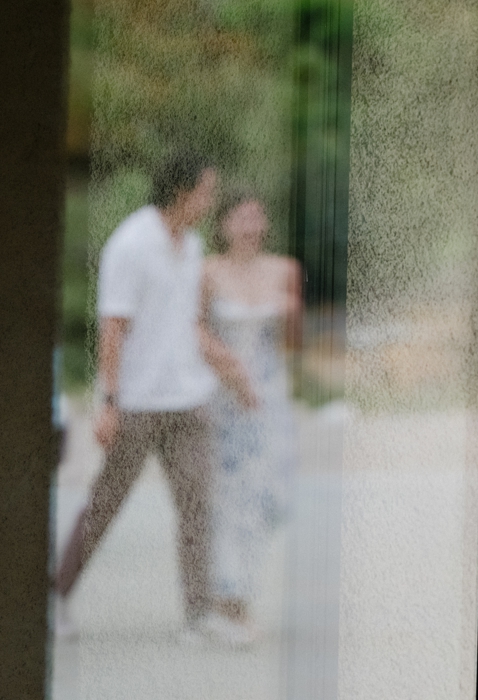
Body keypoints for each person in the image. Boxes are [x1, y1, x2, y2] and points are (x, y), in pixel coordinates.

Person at [53, 150, 225, 636]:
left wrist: (222, 370)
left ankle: (199, 614)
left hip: (188, 399)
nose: (210, 201)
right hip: (137, 402)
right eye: (206, 191)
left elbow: (189, 323)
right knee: (105, 505)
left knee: (197, 506)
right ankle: (55, 597)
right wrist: (108, 403)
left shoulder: (191, 246)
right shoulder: (131, 244)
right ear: (181, 192)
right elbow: (113, 328)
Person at [200, 190, 301, 645]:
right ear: (224, 225)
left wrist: (293, 316)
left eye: (258, 217)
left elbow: (295, 343)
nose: (251, 225)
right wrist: (228, 369)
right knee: (231, 498)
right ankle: (232, 602)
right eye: (242, 217)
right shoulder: (208, 272)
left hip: (271, 393)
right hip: (224, 395)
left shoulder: (285, 269)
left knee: (272, 498)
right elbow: (195, 329)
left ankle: (232, 597)